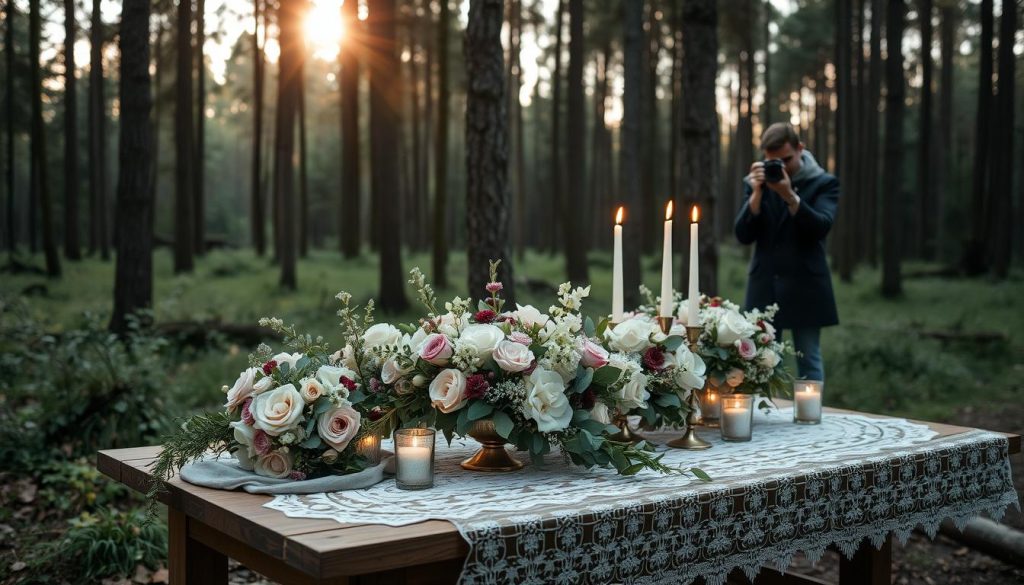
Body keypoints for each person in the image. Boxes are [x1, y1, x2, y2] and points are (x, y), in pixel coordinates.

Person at [734, 123, 839, 381]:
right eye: (773, 161)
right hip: (765, 286)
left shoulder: (823, 183)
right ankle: (766, 417)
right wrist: (757, 194)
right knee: (762, 361)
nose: (780, 167)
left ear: (800, 149)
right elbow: (743, 235)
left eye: (786, 160)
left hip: (806, 285)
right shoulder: (759, 183)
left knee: (809, 359)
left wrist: (789, 195)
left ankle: (810, 417)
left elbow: (821, 227)